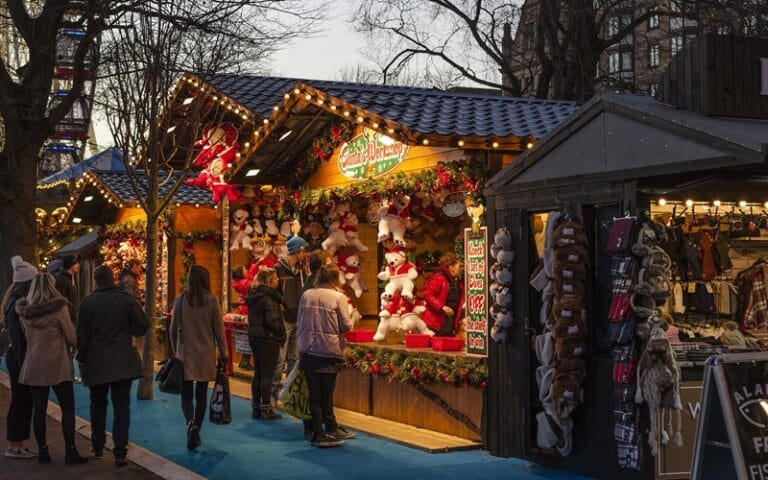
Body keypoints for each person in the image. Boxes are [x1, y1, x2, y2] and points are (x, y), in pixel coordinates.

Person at [77, 265, 149, 467]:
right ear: (113, 279)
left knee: (97, 405)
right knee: (121, 406)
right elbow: (143, 325)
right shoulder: (125, 300)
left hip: (96, 362)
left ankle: (98, 446)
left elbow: (81, 337)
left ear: (96, 281)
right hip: (122, 361)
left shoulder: (87, 304)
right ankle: (120, 451)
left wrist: (82, 358)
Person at [17, 273, 87, 464]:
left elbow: (26, 337)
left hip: (34, 364)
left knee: (39, 410)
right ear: (51, 286)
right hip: (58, 365)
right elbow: (71, 337)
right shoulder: (59, 308)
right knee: (68, 408)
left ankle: (43, 452)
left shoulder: (25, 312)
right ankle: (70, 451)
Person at [169, 265, 228, 451]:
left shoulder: (180, 300)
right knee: (201, 394)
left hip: (185, 353)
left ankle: (190, 423)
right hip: (205, 354)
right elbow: (219, 330)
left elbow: (172, 329)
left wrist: (176, 350)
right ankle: (197, 430)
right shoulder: (212, 301)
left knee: (186, 394)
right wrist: (224, 354)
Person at [297, 264, 354, 448]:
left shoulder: (306, 295)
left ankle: (318, 433)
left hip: (309, 349)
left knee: (314, 394)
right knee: (326, 394)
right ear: (335, 278)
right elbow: (346, 326)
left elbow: (300, 321)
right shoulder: (339, 297)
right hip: (329, 351)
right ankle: (325, 432)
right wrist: (354, 317)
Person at [3, 256, 37, 459]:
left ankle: (20, 444)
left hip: (18, 357)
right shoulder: (17, 304)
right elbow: (17, 338)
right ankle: (15, 445)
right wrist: (25, 360)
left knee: (23, 399)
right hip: (19, 358)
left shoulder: (13, 301)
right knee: (21, 400)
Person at [245, 267, 286, 420]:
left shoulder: (254, 295)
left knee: (258, 374)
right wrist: (280, 335)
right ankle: (266, 409)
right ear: (269, 280)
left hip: (255, 336)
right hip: (267, 339)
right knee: (267, 375)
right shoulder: (269, 298)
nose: (278, 281)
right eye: (275, 278)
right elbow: (272, 320)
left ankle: (256, 407)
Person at [272, 235, 308, 402]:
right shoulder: (278, 269)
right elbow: (275, 292)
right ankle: (273, 392)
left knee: (294, 357)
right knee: (280, 357)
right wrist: (284, 306)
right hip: (285, 318)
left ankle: (289, 393)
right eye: (303, 250)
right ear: (297, 251)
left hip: (298, 318)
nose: (305, 253)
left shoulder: (301, 270)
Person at [421, 252, 465, 336]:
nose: (461, 269)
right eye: (459, 266)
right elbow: (428, 295)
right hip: (436, 322)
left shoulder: (457, 281)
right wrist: (442, 306)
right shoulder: (438, 278)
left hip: (449, 322)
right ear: (451, 266)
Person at [231, 265, 253, 370]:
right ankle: (244, 361)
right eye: (245, 269)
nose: (247, 270)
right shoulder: (245, 283)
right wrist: (254, 266)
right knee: (247, 336)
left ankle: (244, 360)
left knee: (245, 336)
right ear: (241, 273)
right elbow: (252, 281)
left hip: (243, 311)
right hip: (247, 311)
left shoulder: (239, 283)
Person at [54, 255, 80, 326]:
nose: (78, 265)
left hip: (72, 317)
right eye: (76, 263)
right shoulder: (62, 280)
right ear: (71, 266)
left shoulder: (70, 278)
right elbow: (61, 299)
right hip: (67, 319)